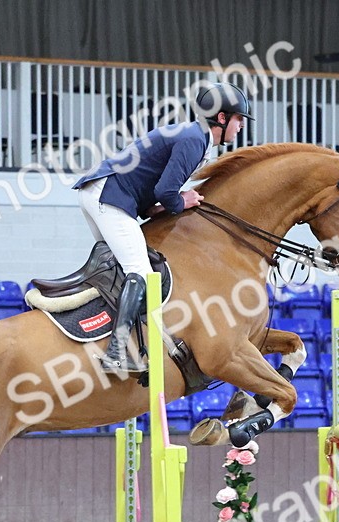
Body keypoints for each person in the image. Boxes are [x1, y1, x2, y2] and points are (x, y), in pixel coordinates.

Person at [73, 82, 252, 373]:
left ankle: (114, 338)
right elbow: (166, 190)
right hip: (109, 194)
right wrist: (182, 201)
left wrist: (159, 207)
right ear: (221, 118)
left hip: (104, 192)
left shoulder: (193, 136)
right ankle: (117, 353)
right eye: (239, 119)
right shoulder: (195, 139)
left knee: (123, 270)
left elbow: (151, 185)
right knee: (141, 273)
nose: (241, 126)